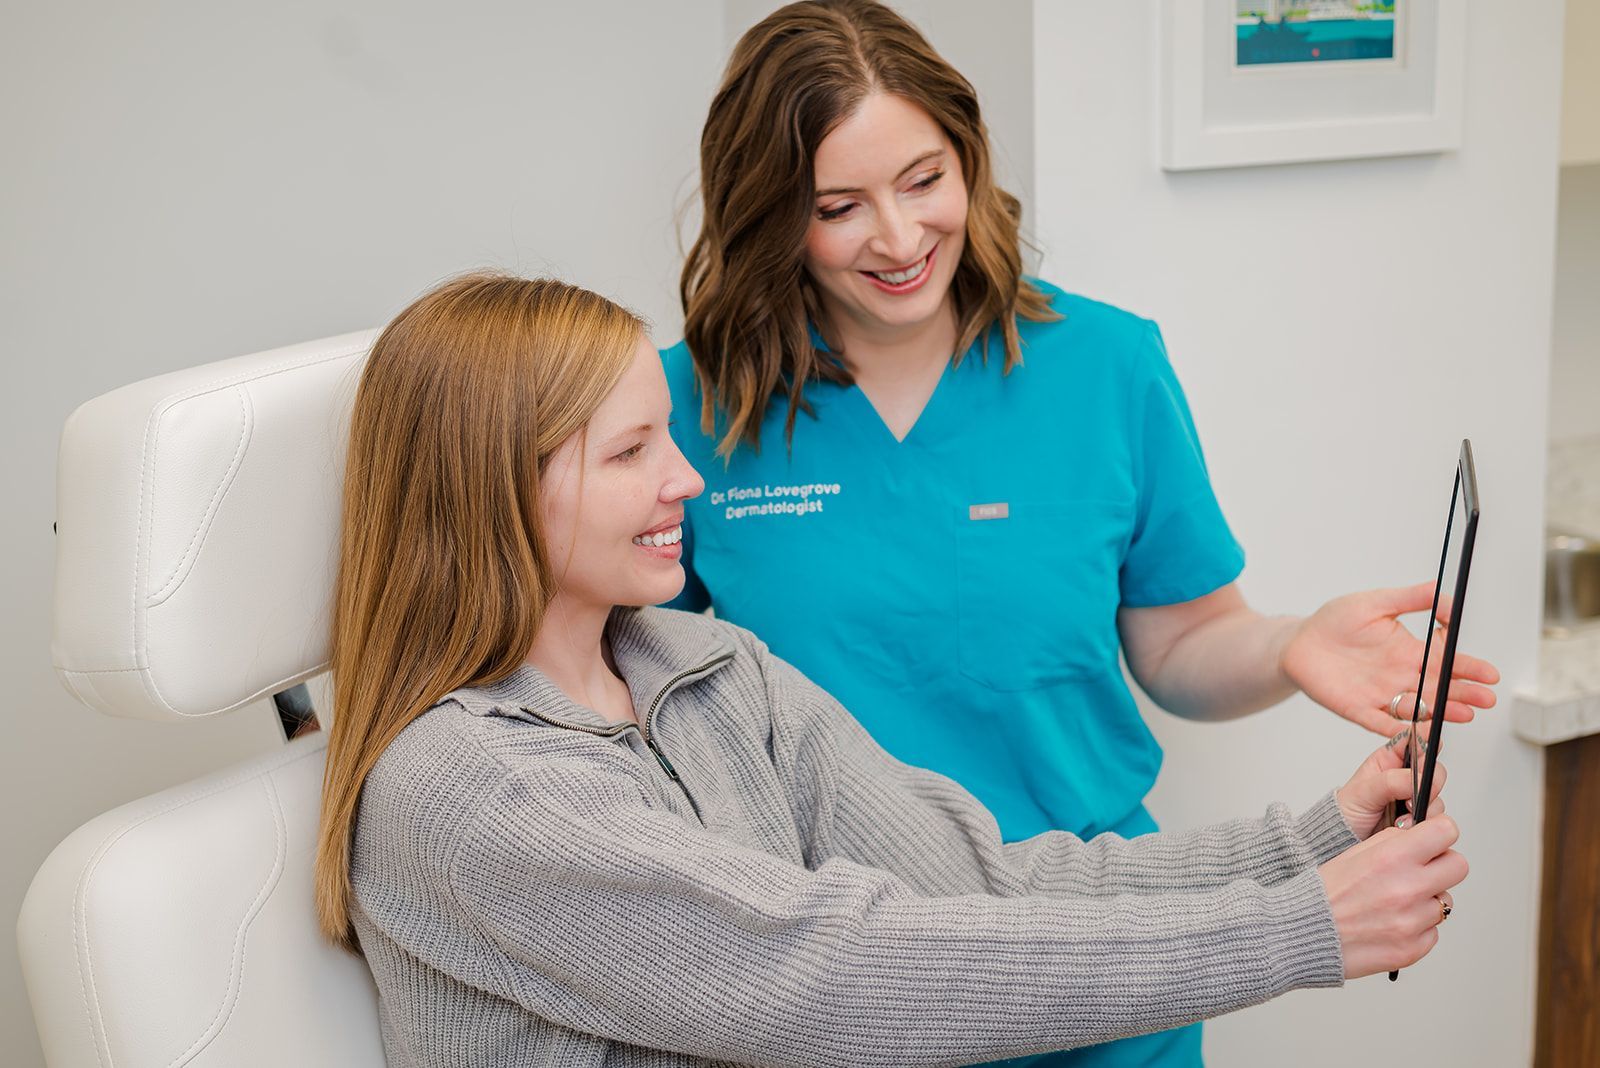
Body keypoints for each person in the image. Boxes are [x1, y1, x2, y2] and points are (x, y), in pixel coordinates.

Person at [314, 273, 1467, 1068]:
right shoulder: (475, 788)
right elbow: (826, 974)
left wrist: (1308, 845)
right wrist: (1292, 932)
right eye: (630, 453)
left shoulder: (704, 667)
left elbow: (976, 883)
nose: (689, 481)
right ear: (489, 492)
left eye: (668, 435)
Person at [662, 5, 1498, 1062]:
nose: (898, 236)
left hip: (1110, 968)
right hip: (844, 992)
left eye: (924, 180)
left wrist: (1286, 645)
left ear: (967, 157)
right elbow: (628, 694)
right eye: (838, 206)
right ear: (771, 215)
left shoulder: (1106, 367)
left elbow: (1181, 644)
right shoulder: (685, 408)